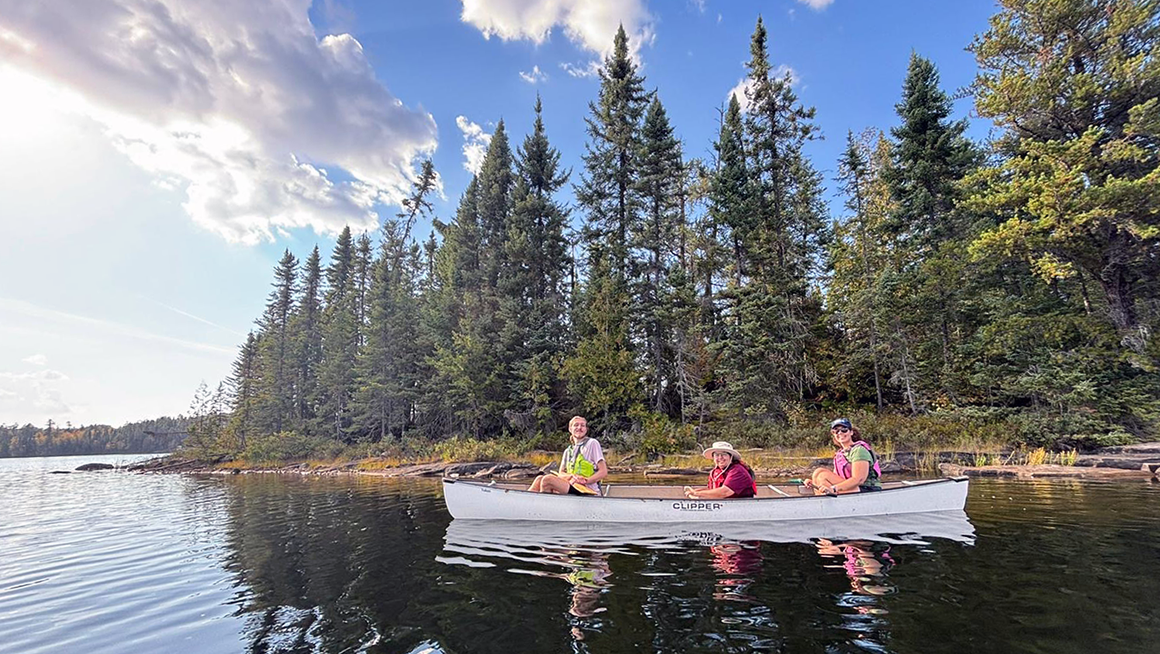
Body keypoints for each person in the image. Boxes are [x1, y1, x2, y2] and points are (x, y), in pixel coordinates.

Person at [528, 416, 608, 495]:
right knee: (539, 479)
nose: (579, 427)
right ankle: (528, 503)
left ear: (586, 429)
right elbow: (561, 473)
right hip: (572, 485)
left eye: (582, 425)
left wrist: (586, 480)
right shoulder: (568, 451)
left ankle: (544, 505)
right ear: (570, 429)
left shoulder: (592, 443)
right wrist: (571, 476)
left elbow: (603, 472)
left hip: (588, 489)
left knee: (547, 480)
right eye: (576, 425)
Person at [805, 418, 882, 495]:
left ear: (851, 432)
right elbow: (835, 476)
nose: (840, 433)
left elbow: (859, 479)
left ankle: (828, 498)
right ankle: (823, 500)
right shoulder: (840, 454)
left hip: (867, 489)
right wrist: (814, 483)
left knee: (822, 474)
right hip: (852, 488)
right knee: (818, 473)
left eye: (844, 430)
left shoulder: (859, 450)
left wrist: (834, 488)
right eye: (836, 431)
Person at [683, 441, 757, 499]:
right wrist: (695, 491)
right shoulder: (715, 472)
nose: (720, 457)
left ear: (731, 457)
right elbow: (712, 490)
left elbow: (725, 492)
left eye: (724, 454)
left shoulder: (738, 471)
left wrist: (697, 494)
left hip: (739, 507)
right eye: (717, 455)